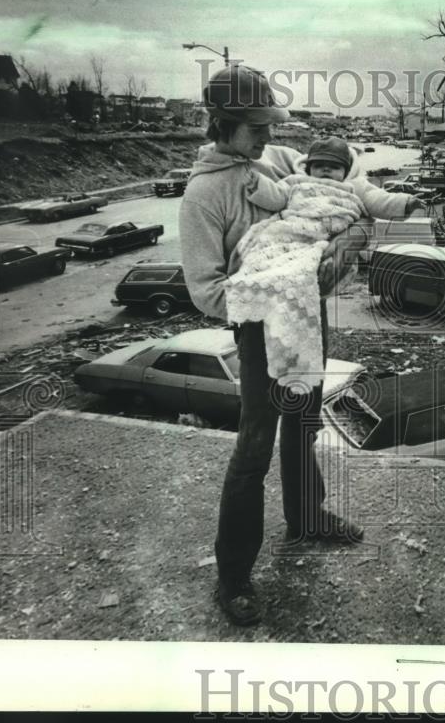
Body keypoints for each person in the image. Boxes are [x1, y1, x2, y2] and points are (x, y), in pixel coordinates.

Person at [179, 64, 366, 626]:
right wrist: (282, 284)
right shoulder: (202, 196)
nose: (267, 137)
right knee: (255, 446)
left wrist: (346, 245)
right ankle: (234, 576)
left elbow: (347, 201)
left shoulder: (276, 164)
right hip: (261, 330)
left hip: (308, 316)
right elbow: (206, 293)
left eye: (268, 125)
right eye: (255, 127)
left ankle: (307, 516)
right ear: (223, 124)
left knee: (305, 423)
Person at [224, 136, 421, 389]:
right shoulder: (295, 182)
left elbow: (379, 200)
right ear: (308, 168)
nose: (326, 170)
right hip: (295, 228)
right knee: (266, 249)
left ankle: (294, 342)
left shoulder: (354, 188)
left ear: (346, 171)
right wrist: (256, 185)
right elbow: (275, 197)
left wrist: (405, 203)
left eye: (334, 166)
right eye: (319, 166)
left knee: (306, 270)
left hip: (327, 234)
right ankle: (250, 295)